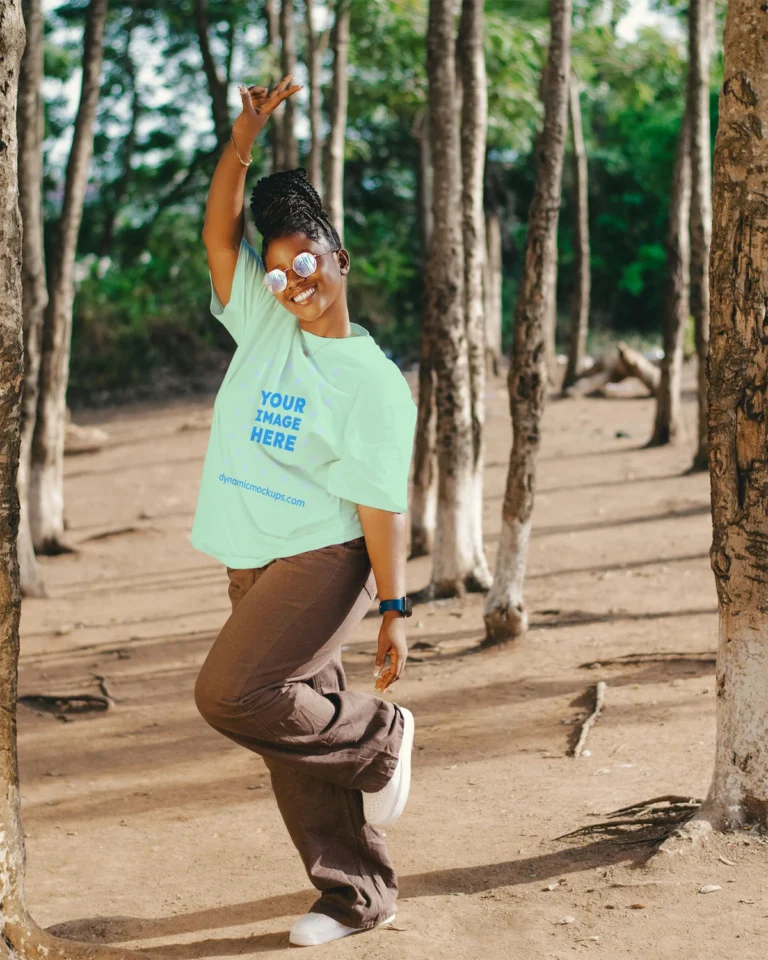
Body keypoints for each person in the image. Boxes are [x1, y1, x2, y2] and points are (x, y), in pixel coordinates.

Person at [188, 73, 418, 948]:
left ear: (340, 259)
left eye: (306, 264)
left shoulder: (371, 382)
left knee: (235, 693)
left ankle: (381, 739)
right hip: (253, 552)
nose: (292, 283)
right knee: (291, 721)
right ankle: (355, 895)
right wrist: (243, 138)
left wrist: (394, 607)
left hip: (325, 558)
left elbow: (377, 501)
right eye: (277, 271)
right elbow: (218, 231)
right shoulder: (263, 321)